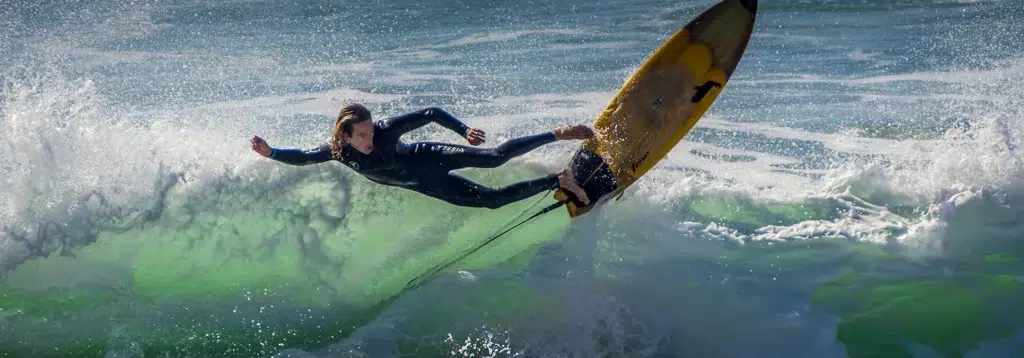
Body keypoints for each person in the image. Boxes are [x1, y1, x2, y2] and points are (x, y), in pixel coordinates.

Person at [250, 103, 593, 209]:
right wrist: (272, 153)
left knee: (493, 157)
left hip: (429, 159)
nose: (371, 139)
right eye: (363, 135)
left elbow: (431, 112)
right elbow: (304, 157)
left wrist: (462, 131)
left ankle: (558, 133)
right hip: (424, 185)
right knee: (492, 202)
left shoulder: (385, 130)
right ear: (345, 136)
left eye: (371, 131)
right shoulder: (337, 152)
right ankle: (559, 181)